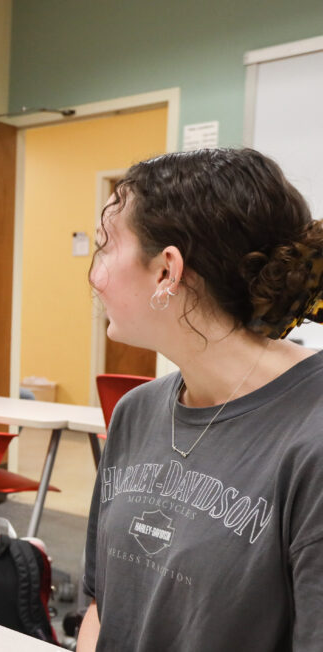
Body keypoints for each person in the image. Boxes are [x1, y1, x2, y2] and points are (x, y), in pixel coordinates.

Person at [78, 149, 323, 651]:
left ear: (167, 270)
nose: (94, 276)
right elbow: (104, 606)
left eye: (104, 248)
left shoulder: (312, 438)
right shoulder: (137, 411)